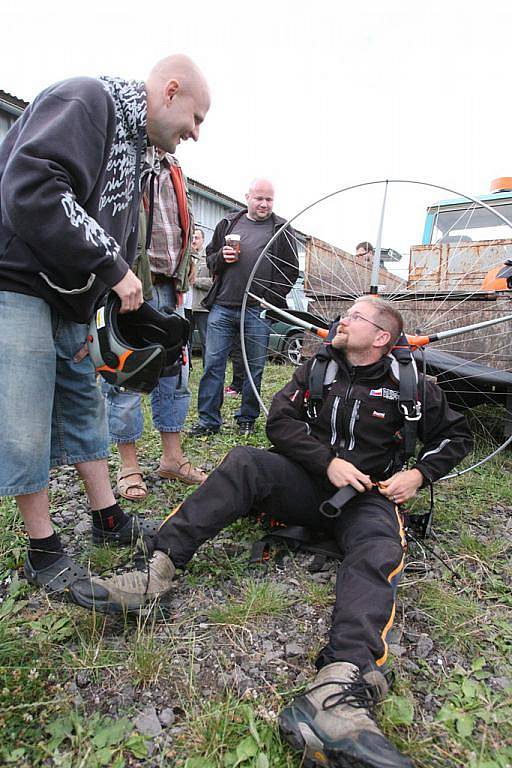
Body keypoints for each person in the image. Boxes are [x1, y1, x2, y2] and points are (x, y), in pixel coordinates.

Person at [71, 297, 472, 768]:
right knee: (243, 462)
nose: (343, 320)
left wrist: (420, 474)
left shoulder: (414, 387)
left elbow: (455, 437)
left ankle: (339, 687)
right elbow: (279, 422)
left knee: (381, 548)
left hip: (370, 497)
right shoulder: (317, 369)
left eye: (356, 317)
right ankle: (153, 572)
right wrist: (328, 462)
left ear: (381, 337)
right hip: (306, 485)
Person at [0, 54, 210, 597]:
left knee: (85, 403)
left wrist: (109, 304)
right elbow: (33, 186)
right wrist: (113, 271)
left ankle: (107, 516)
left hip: (68, 297)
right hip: (16, 281)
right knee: (25, 416)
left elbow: (114, 235)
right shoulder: (88, 102)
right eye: (197, 118)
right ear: (170, 90)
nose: (195, 133)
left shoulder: (139, 151)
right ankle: (42, 550)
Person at [104, 151, 207, 500]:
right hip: (132, 285)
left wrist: (189, 260)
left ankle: (172, 458)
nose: (190, 134)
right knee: (128, 378)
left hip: (170, 285)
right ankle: (128, 465)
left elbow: (184, 220)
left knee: (174, 376)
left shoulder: (174, 165)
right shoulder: (124, 154)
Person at [189, 178, 299, 436]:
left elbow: (290, 270)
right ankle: (208, 421)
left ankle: (246, 419)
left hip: (256, 309)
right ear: (247, 197)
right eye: (259, 198)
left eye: (269, 199)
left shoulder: (281, 228)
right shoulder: (229, 223)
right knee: (213, 364)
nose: (263, 204)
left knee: (254, 366)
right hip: (222, 306)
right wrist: (221, 259)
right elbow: (211, 259)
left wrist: (271, 297)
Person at [186, 227, 212, 358]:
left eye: (197, 238)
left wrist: (195, 281)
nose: (194, 240)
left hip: (201, 307)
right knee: (185, 342)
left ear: (203, 240)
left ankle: (208, 374)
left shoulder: (209, 258)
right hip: (185, 307)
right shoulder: (185, 256)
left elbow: (215, 282)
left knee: (206, 342)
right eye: (192, 237)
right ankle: (186, 372)